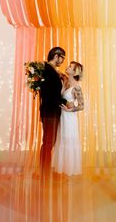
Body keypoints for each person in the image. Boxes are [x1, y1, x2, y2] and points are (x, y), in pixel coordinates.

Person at [52, 61, 84, 176]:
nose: (67, 67)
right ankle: (61, 170)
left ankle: (69, 171)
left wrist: (70, 109)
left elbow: (81, 105)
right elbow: (57, 72)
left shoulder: (76, 87)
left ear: (74, 72)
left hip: (70, 119)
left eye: (70, 67)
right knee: (61, 140)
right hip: (62, 118)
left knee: (68, 141)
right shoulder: (65, 81)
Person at [39, 47, 66, 176]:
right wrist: (65, 102)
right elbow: (50, 93)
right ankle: (44, 171)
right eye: (62, 58)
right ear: (56, 56)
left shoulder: (52, 70)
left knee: (50, 141)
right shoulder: (47, 69)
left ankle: (45, 169)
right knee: (48, 142)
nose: (62, 61)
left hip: (51, 110)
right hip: (50, 111)